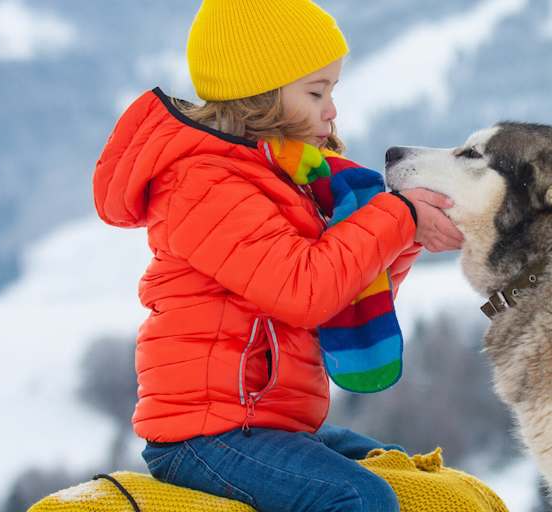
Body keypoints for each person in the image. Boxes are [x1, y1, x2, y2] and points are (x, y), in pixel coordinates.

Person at [90, 1, 464, 510]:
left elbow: (343, 293)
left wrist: (407, 235)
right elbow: (304, 290)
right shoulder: (203, 181)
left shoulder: (291, 178)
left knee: (400, 471)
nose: (331, 110)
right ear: (260, 96)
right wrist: (396, 218)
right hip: (206, 433)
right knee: (359, 497)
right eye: (316, 92)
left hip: (270, 423)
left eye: (333, 91)